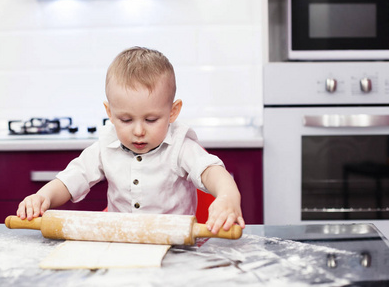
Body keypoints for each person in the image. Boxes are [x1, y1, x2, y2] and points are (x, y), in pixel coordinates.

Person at [16, 46, 245, 234]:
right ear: (110, 112)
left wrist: (228, 196)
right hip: (121, 243)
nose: (138, 131)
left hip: (175, 246)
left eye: (151, 119)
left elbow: (211, 171)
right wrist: (42, 196)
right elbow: (72, 179)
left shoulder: (180, 146)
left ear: (173, 112)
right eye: (125, 119)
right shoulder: (106, 145)